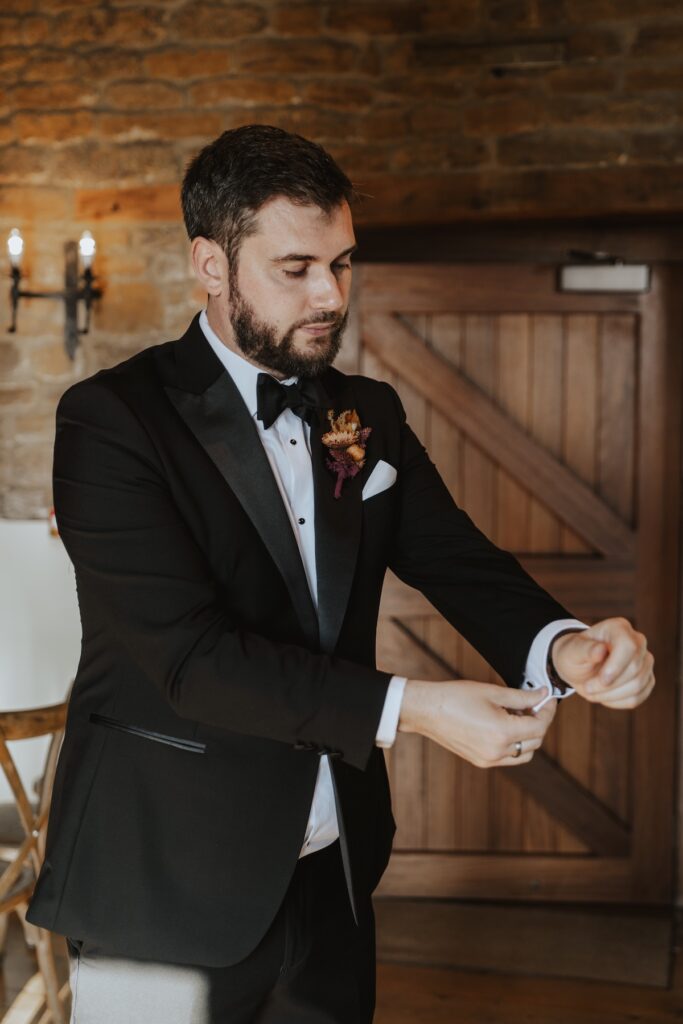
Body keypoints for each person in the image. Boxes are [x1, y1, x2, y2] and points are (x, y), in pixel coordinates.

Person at [26, 124, 655, 1024]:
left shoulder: (368, 414)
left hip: (335, 868)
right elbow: (190, 660)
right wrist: (418, 709)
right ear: (211, 264)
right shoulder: (111, 421)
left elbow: (458, 560)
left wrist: (567, 647)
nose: (330, 294)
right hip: (163, 876)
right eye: (296, 269)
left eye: (344, 263)